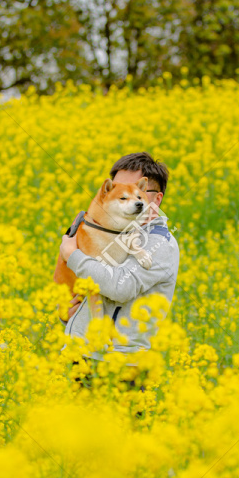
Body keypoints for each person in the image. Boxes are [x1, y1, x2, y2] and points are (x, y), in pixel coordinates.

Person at [58, 152, 179, 390]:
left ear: (156, 199)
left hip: (123, 366)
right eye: (116, 191)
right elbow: (84, 284)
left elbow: (119, 287)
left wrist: (72, 255)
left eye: (136, 191)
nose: (127, 198)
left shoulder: (158, 241)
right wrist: (68, 314)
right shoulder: (105, 230)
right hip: (81, 357)